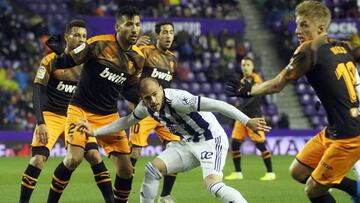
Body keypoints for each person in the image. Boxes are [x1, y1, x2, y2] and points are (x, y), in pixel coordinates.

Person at [225, 1, 360, 202]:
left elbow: (278, 84)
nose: (297, 30)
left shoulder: (309, 49)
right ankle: (356, 189)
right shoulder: (343, 45)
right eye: (297, 24)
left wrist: (249, 90)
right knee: (298, 172)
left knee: (313, 190)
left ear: (321, 28)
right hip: (334, 129)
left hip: (349, 135)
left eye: (304, 25)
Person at [82, 77, 271, 203]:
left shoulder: (179, 99)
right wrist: (95, 132)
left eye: (155, 94)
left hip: (211, 139)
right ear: (142, 99)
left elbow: (218, 105)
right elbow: (125, 122)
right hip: (188, 143)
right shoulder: (144, 107)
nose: (153, 100)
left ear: (161, 90)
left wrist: (247, 121)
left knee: (212, 183)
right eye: (148, 98)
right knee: (152, 170)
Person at [46, 6, 145, 203]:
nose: (134, 29)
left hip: (109, 116)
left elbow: (128, 89)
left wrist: (145, 100)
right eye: (128, 24)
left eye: (137, 24)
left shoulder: (138, 57)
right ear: (117, 26)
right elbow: (68, 61)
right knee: (74, 158)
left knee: (126, 170)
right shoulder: (97, 44)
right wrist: (59, 54)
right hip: (81, 110)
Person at [19, 20, 114, 203]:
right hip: (52, 115)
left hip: (77, 116)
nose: (81, 39)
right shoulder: (51, 60)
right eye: (77, 35)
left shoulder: (89, 63)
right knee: (38, 160)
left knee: (94, 155)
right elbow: (37, 90)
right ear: (67, 36)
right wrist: (40, 123)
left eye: (84, 36)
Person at [127, 21, 180, 203]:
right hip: (146, 111)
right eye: (164, 32)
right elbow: (127, 65)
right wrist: (134, 47)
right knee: (134, 154)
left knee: (176, 151)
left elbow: (167, 86)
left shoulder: (173, 59)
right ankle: (123, 193)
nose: (168, 35)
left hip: (165, 113)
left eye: (171, 32)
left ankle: (165, 196)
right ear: (157, 35)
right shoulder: (146, 51)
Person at [224, 56, 276, 181]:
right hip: (241, 117)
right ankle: (238, 173)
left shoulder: (256, 79)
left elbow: (254, 96)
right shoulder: (242, 80)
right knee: (235, 143)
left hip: (254, 116)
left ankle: (270, 172)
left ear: (252, 67)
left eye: (248, 64)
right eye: (243, 65)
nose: (245, 67)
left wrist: (240, 104)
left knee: (260, 144)